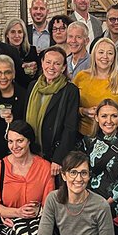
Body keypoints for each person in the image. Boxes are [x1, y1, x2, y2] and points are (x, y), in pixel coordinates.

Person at [21, 47, 80, 176]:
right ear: (42, 63)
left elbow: (70, 128)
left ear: (63, 67)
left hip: (53, 155)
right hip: (30, 153)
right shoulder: (32, 86)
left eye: (57, 63)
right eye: (48, 62)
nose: (51, 67)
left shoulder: (70, 90)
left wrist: (58, 159)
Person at [79, 99, 118, 217]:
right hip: (87, 197)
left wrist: (107, 202)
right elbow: (82, 172)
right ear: (96, 118)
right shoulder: (88, 141)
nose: (108, 121)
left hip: (113, 202)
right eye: (104, 116)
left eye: (114, 116)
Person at [73, 38, 118, 136]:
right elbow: (69, 107)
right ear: (94, 55)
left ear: (114, 57)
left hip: (112, 137)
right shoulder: (81, 77)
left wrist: (107, 117)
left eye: (110, 53)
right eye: (101, 52)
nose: (105, 57)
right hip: (82, 135)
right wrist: (84, 111)